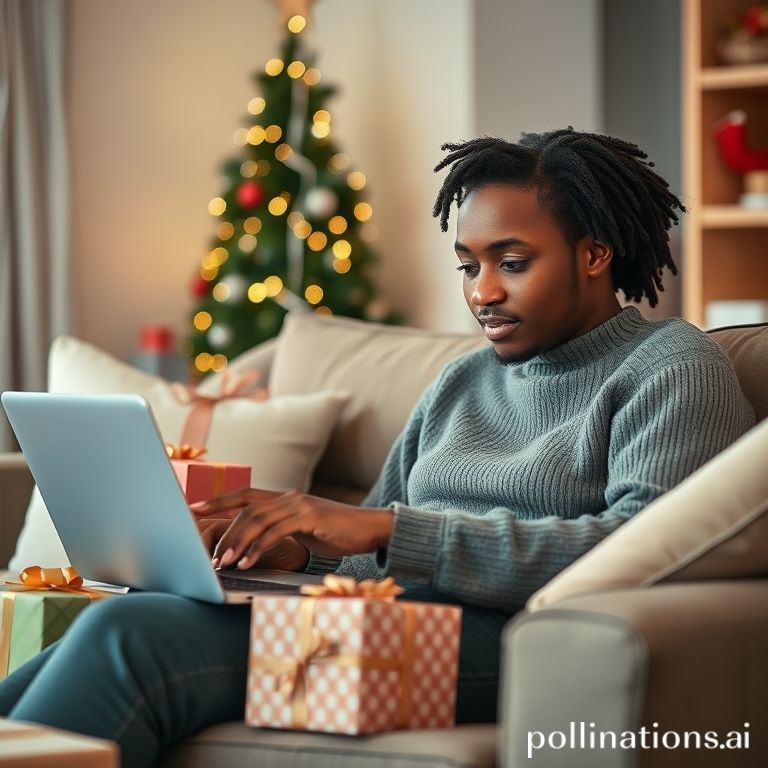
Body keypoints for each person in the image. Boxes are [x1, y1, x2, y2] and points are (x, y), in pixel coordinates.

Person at [0, 128, 755, 767]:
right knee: (127, 614)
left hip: (515, 637)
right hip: (386, 618)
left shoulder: (670, 366)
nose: (482, 292)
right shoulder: (463, 382)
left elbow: (642, 551)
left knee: (134, 638)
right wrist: (293, 553)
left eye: (512, 262)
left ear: (595, 254)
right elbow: (367, 558)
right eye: (469, 265)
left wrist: (389, 528)